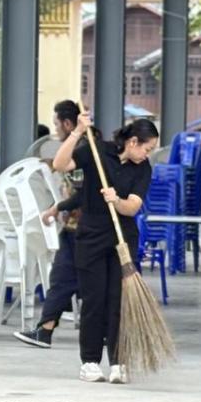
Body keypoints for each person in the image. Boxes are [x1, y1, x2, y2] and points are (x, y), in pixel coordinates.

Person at [52, 113, 157, 384]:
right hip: (91, 236)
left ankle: (119, 362)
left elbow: (132, 207)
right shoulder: (97, 150)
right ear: (133, 142)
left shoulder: (143, 168)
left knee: (118, 301)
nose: (147, 155)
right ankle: (89, 362)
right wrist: (77, 131)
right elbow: (60, 164)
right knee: (94, 299)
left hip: (122, 240)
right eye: (147, 149)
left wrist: (117, 200)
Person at [17, 100, 85, 350]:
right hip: (74, 227)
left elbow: (82, 190)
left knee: (69, 279)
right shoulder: (82, 146)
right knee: (64, 278)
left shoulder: (81, 149)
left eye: (57, 125)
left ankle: (48, 330)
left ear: (67, 124)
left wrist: (59, 207)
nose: (56, 130)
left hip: (83, 227)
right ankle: (45, 330)